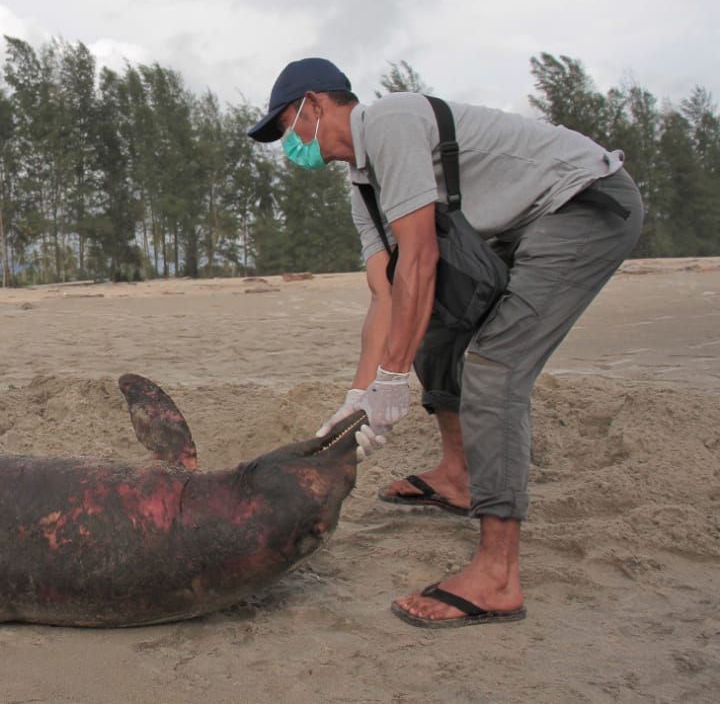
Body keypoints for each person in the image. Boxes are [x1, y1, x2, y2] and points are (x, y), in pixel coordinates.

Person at [247, 57, 643, 628]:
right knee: (437, 331)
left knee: (494, 366)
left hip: (585, 203)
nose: (290, 144)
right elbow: (388, 293)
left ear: (312, 105)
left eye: (286, 127)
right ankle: (458, 477)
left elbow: (423, 260)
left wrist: (392, 381)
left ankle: (498, 576)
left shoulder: (388, 123)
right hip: (522, 226)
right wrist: (359, 398)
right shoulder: (363, 185)